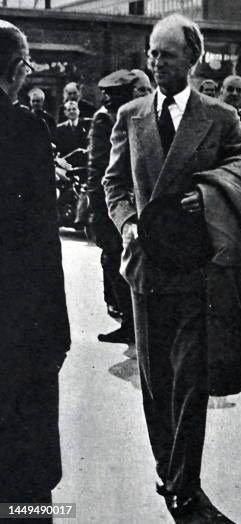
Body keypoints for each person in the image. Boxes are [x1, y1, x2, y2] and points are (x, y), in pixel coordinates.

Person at [102, 14, 241, 520]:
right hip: (146, 269)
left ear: (192, 58)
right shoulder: (131, 115)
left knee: (190, 382)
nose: (155, 61)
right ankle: (168, 470)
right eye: (151, 52)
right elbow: (114, 183)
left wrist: (206, 198)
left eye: (165, 54)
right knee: (154, 382)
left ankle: (185, 479)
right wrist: (126, 226)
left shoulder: (221, 117)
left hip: (198, 271)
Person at [0, 20, 70, 516]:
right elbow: (44, 242)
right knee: (24, 463)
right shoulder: (25, 129)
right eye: (24, 65)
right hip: (18, 320)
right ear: (13, 68)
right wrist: (57, 327)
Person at [86, 69, 137, 344]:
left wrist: (96, 208)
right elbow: (99, 168)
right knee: (119, 261)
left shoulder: (112, 118)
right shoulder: (115, 118)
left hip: (116, 202)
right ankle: (131, 323)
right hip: (120, 202)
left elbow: (100, 168)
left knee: (116, 261)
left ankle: (130, 324)